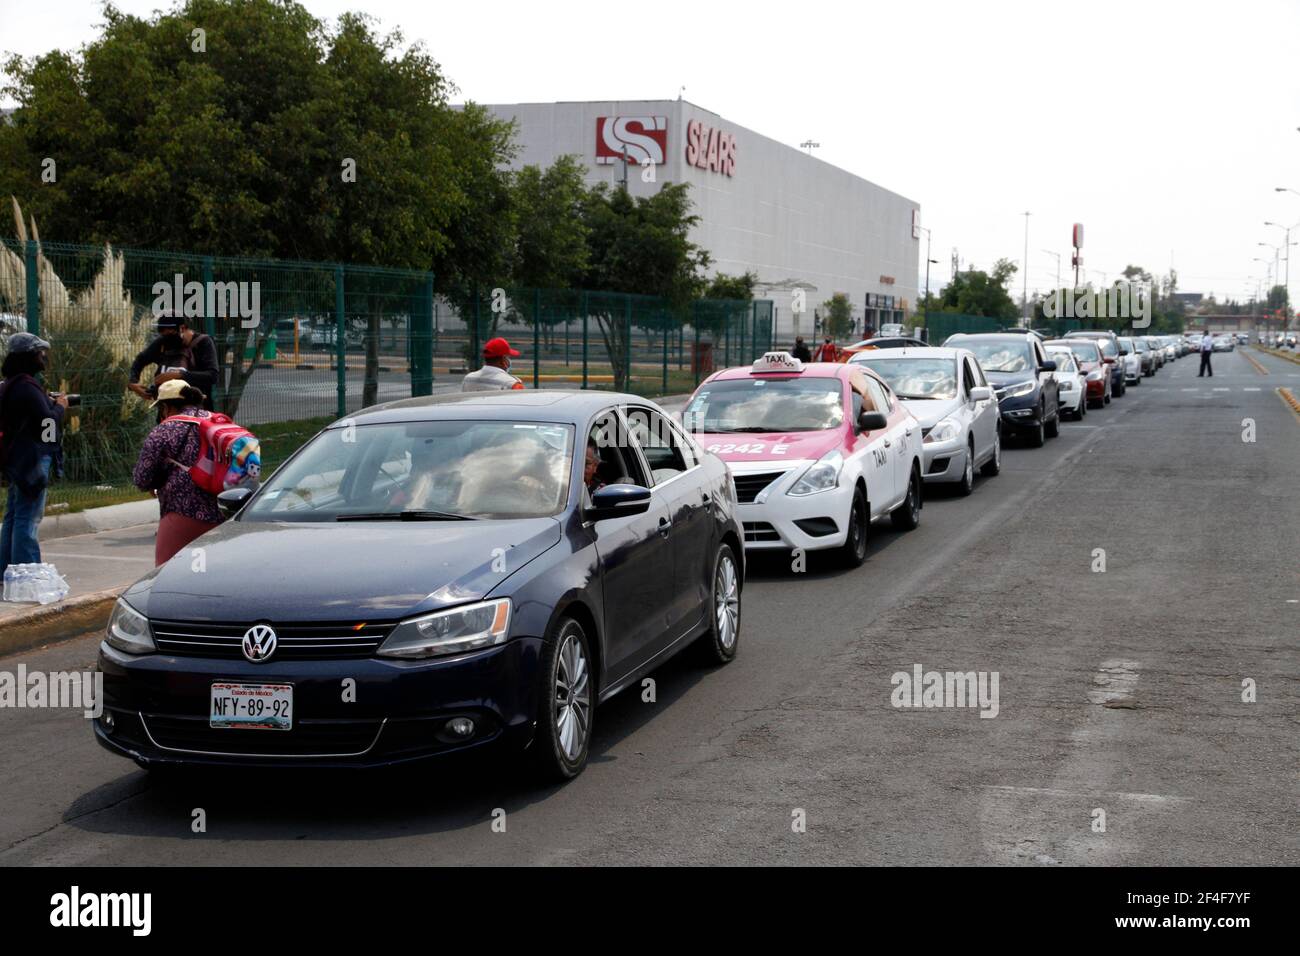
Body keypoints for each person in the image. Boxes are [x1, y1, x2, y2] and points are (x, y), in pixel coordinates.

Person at [132, 379, 222, 565]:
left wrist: (156, 481)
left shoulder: (164, 430)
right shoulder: (217, 423)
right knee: (209, 571)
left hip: (181, 513)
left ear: (166, 407)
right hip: (222, 513)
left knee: (166, 573)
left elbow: (142, 479)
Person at [0, 332, 67, 579]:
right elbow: (47, 426)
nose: (43, 357)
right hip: (32, 459)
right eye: (40, 353)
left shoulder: (9, 385)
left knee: (14, 516)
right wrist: (59, 407)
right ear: (30, 356)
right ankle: (26, 576)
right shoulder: (28, 387)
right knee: (28, 519)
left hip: (15, 460)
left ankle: (6, 571)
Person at [128, 312, 219, 408]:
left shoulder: (203, 343)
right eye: (163, 335)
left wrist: (179, 375)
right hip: (167, 410)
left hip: (198, 409)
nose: (167, 339)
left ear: (182, 328)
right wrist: (133, 382)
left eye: (170, 334)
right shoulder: (163, 342)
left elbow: (212, 375)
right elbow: (140, 360)